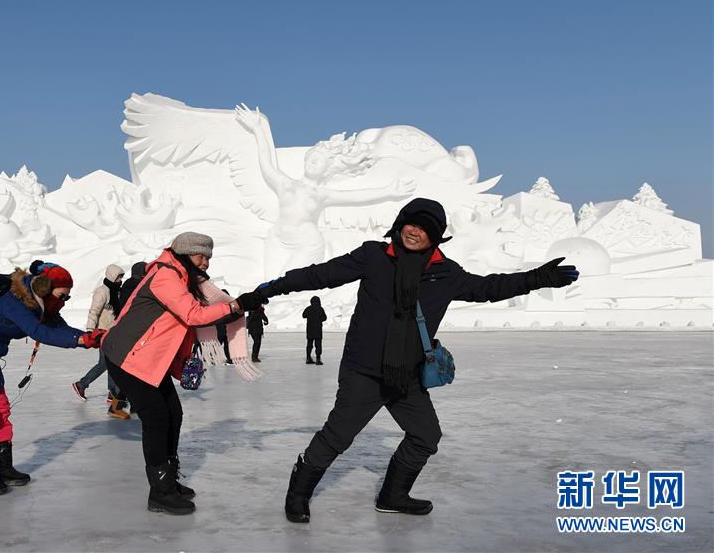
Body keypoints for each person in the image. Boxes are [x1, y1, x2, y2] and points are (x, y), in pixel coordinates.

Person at [250, 198, 579, 523]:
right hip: (363, 370)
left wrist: (538, 278)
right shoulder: (374, 256)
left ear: (436, 235)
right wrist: (274, 288)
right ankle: (298, 496)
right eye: (411, 223)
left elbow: (489, 287)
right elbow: (319, 276)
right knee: (337, 437)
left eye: (424, 228)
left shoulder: (446, 273)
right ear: (399, 222)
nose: (414, 232)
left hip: (406, 376)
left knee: (426, 436)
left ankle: (393, 496)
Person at [101, 232, 263, 515]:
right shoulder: (166, 277)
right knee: (157, 419)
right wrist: (236, 306)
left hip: (149, 358)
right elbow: (194, 315)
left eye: (209, 258)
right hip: (127, 356)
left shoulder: (186, 279)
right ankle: (160, 492)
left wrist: (238, 305)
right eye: (201, 257)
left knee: (173, 414)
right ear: (186, 254)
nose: (206, 264)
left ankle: (169, 480)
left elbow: (209, 307)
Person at [0, 261, 103, 496]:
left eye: (67, 298)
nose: (63, 302)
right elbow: (40, 332)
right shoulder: (13, 301)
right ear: (44, 287)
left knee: (1, 410)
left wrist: (86, 336)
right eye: (62, 296)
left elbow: (57, 326)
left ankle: (1, 468)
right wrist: (80, 341)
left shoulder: (40, 304)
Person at [70, 264, 132, 419]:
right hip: (103, 333)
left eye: (121, 276)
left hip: (115, 334)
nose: (120, 279)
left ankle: (112, 393)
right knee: (105, 363)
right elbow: (94, 311)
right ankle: (81, 385)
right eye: (118, 276)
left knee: (111, 363)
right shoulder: (102, 291)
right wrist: (91, 331)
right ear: (111, 275)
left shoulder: (117, 291)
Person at [302, 296, 327, 365]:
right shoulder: (320, 309)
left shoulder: (308, 308)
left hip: (310, 330)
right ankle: (318, 359)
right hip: (318, 330)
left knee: (309, 344)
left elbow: (303, 315)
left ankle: (308, 358)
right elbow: (324, 318)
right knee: (318, 345)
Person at [216, 290, 234, 365]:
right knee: (219, 344)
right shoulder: (218, 305)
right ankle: (213, 358)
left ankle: (229, 359)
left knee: (226, 345)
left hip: (225, 328)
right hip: (220, 328)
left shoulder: (230, 305)